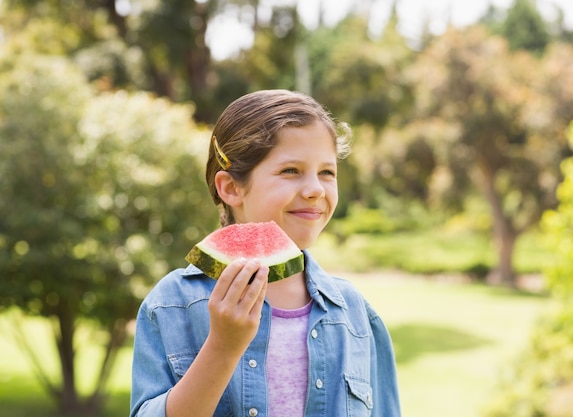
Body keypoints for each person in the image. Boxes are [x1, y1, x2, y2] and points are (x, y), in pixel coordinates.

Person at [130, 89, 401, 417]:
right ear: (231, 187)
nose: (316, 189)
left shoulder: (356, 314)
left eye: (327, 172)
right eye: (291, 171)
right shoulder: (171, 304)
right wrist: (223, 348)